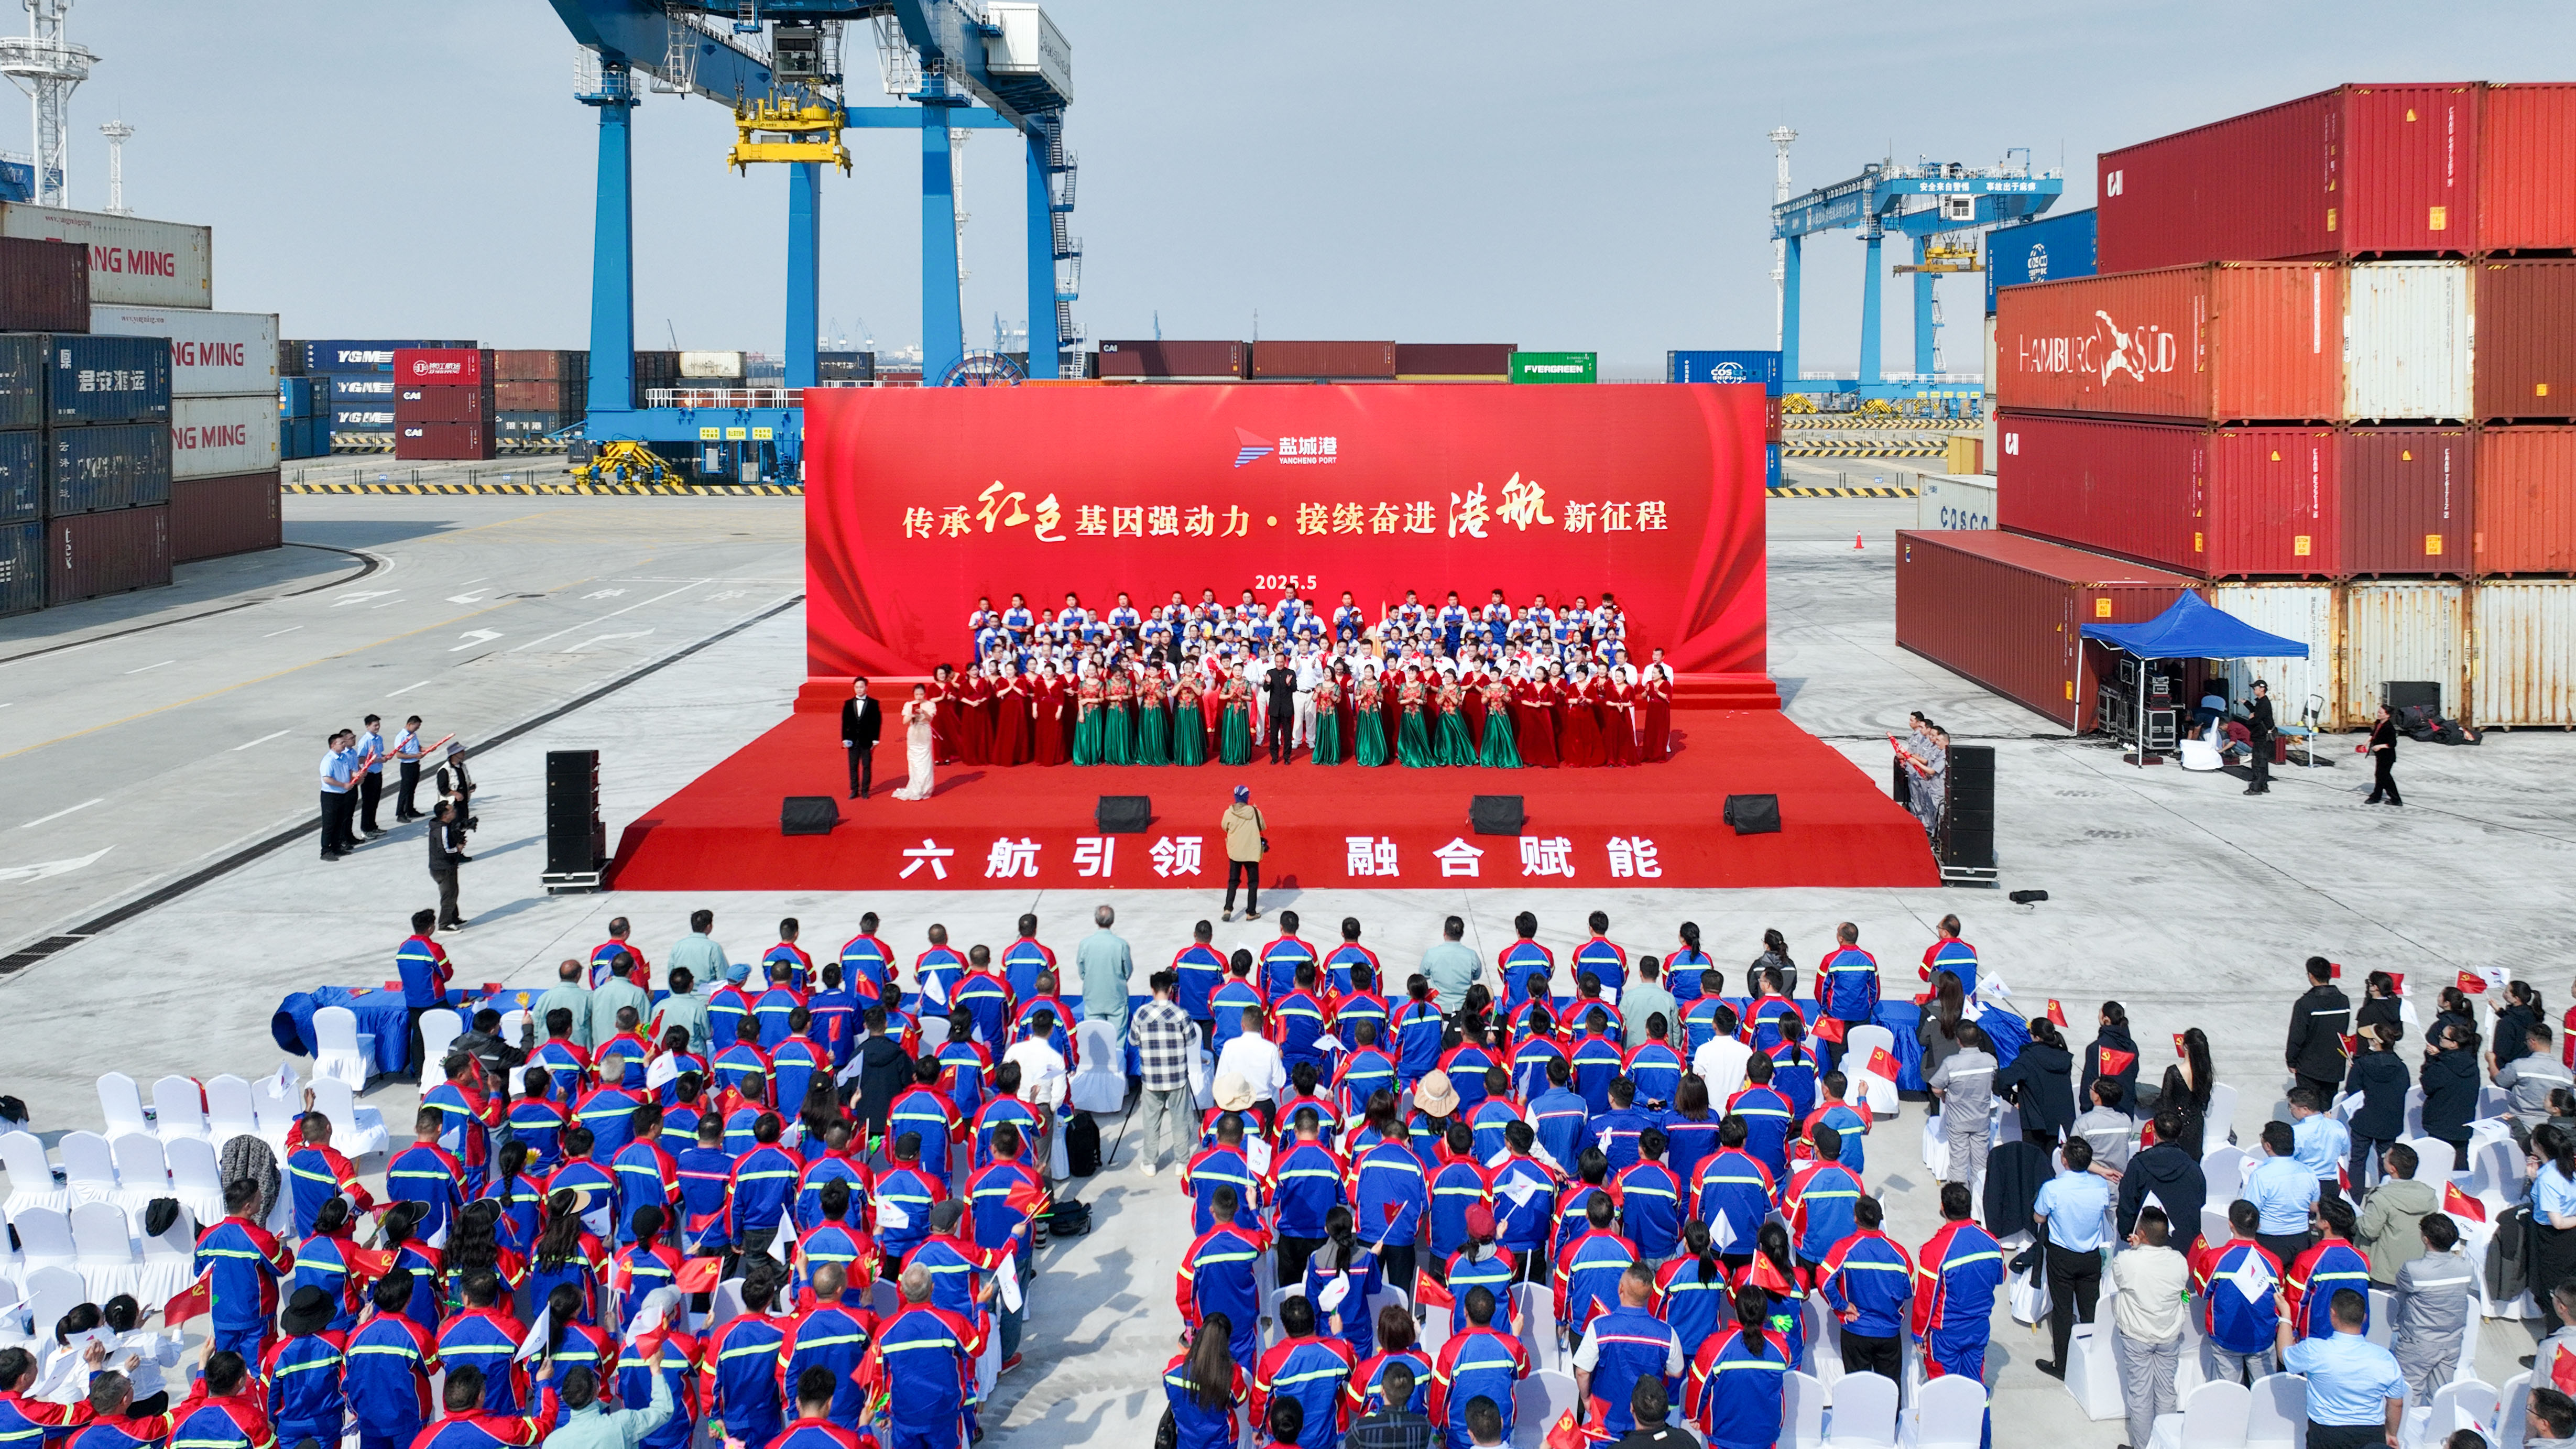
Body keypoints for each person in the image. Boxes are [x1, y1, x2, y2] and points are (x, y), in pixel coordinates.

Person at [2031, 1135, 2113, 1381]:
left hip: (2062, 1257)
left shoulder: (2053, 1188)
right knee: (2090, 1310)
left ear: (2064, 1161)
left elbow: (2039, 1217)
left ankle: (2063, 1365)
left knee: (2063, 1311)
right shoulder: (2100, 1186)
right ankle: (2092, 1359)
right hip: (2091, 1257)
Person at [2279, 1288, 2404, 1449]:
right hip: (2372, 1434)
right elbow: (2396, 1403)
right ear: (2364, 1317)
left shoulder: (2314, 1350)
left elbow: (2284, 1355)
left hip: (2326, 1435)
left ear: (2333, 1314)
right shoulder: (2385, 1357)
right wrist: (2391, 1434)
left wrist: (2286, 1316)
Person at [1570, 1263, 1682, 1444]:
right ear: (1650, 1294)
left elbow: (1583, 1372)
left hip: (1606, 1418)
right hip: (1647, 1423)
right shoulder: (1667, 1334)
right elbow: (1677, 1372)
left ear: (1620, 1289)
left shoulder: (1599, 1327)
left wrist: (1586, 1399)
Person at [2111, 1207, 2190, 1449]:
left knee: (2141, 1396)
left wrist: (2136, 1250)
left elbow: (2121, 1278)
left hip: (2137, 1337)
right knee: (2166, 1393)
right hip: (2169, 1336)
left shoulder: (2127, 1260)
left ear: (2142, 1233)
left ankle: (2143, 1446)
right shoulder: (2180, 1262)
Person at [2388, 1213, 2471, 1406]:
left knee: (2408, 1398)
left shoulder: (2413, 1269)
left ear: (2425, 1239)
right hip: (2452, 1342)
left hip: (2418, 1344)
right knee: (2441, 1399)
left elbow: (2402, 1289)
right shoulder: (2466, 1266)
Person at [541, 1350, 673, 1449]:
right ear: (597, 1391)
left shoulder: (551, 1444)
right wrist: (655, 1368)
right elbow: (663, 1411)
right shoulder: (623, 1423)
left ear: (564, 1398)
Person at [1133, 971, 1195, 1176]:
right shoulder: (1181, 1014)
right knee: (1180, 1120)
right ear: (1170, 990)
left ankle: (1150, 1163)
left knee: (1151, 1121)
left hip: (1151, 1078)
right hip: (1177, 1077)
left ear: (1153, 990)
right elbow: (1191, 1040)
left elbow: (1133, 1040)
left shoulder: (1141, 1014)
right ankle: (1182, 1162)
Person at [2118, 1108, 2209, 1247]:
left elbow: (2127, 1203)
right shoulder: (2193, 1168)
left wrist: (2127, 1234)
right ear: (2180, 1133)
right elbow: (2200, 1201)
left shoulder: (2139, 1165)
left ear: (2154, 1132)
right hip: (2182, 1243)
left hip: (2146, 1241)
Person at [2353, 1142, 2437, 1287]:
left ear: (2392, 1169)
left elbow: (2369, 1230)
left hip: (2385, 1273)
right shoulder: (2428, 1194)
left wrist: (2357, 1219)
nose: (2383, 1159)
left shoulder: (2381, 1198)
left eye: (2385, 1157)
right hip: (2417, 1270)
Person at [1165, 1316, 1250, 1449]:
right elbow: (1240, 1400)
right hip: (1221, 1444)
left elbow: (1171, 1394)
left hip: (1186, 1443)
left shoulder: (1173, 1368)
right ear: (1227, 1342)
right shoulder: (1232, 1374)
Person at [2287, 956, 2353, 1103]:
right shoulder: (2344, 1001)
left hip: (2309, 1067)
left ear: (2311, 976)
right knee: (2328, 1108)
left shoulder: (2305, 1004)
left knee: (2309, 1107)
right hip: (2334, 1066)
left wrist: (2291, 1061)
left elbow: (2297, 1035)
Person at [1077, 904, 1133, 1045]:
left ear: (1096, 921)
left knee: (1094, 1039)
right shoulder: (1121, 945)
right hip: (1116, 996)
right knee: (1117, 1040)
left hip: (1093, 997)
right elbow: (1128, 971)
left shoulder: (1085, 944)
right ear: (1112, 921)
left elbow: (1082, 971)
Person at [1221, 785, 1264, 922]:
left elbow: (1224, 827)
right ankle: (1251, 913)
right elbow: (1262, 827)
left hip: (1235, 852)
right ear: (1247, 797)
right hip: (1251, 853)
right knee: (1253, 882)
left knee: (1233, 881)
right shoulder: (1255, 812)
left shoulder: (1228, 813)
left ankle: (1228, 909)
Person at [429, 801, 469, 929]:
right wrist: (458, 849)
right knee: (449, 896)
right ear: (445, 815)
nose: (455, 811)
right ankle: (444, 925)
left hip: (447, 866)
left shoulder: (445, 826)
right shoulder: (441, 829)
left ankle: (454, 918)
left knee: (453, 893)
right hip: (443, 868)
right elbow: (444, 850)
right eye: (452, 811)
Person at [319, 729, 358, 859]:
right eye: (341, 743)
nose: (344, 745)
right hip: (331, 795)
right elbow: (327, 779)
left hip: (342, 794)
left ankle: (336, 847)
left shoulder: (344, 757)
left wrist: (356, 775)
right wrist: (343, 785)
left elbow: (349, 771)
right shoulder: (328, 760)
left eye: (344, 742)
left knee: (339, 822)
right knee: (329, 824)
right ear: (333, 745)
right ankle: (326, 851)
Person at [893, 685, 937, 801]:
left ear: (925, 694)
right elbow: (905, 722)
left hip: (924, 734)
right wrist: (912, 715)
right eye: (917, 694)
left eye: (921, 694)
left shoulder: (930, 705)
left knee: (925, 761)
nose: (919, 697)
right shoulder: (909, 705)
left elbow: (930, 719)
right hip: (913, 735)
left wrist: (924, 712)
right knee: (914, 762)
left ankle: (926, 788)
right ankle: (916, 787)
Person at [841, 678, 881, 799]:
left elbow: (877, 722)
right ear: (854, 688)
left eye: (862, 687)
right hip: (852, 740)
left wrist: (876, 739)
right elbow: (845, 723)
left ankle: (865, 790)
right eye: (857, 687)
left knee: (867, 765)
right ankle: (854, 790)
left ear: (866, 688)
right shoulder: (848, 704)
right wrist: (844, 739)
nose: (859, 689)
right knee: (853, 765)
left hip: (867, 740)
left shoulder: (874, 703)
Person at [1263, 651, 1299, 764]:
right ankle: (1274, 757)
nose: (1279, 664)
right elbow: (1265, 689)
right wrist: (1268, 683)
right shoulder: (1270, 673)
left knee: (1287, 734)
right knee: (1274, 734)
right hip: (1274, 708)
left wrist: (1289, 684)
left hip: (1287, 707)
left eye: (1281, 662)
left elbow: (1294, 689)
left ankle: (1287, 756)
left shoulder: (1290, 673)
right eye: (1277, 662)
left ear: (1285, 662)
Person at [2364, 702, 2402, 805]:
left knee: (2384, 777)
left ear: (2387, 715)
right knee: (2381, 776)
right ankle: (2378, 796)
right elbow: (2373, 734)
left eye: (2381, 713)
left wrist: (2380, 746)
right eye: (2378, 712)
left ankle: (2394, 799)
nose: (2379, 714)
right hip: (2380, 756)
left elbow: (2393, 744)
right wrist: (2365, 743)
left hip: (2387, 756)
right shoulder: (2379, 723)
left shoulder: (2389, 728)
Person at [2244, 679, 2277, 794]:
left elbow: (2257, 719)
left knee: (2258, 763)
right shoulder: (2262, 702)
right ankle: (2263, 785)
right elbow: (2257, 712)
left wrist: (2249, 720)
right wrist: (2247, 704)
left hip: (2262, 737)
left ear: (2262, 689)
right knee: (2263, 762)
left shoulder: (2264, 703)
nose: (2254, 690)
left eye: (2256, 688)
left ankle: (2256, 788)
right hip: (2262, 736)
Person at [394, 714, 429, 821]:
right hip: (407, 766)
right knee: (405, 790)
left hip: (415, 764)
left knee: (412, 789)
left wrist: (427, 749)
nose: (417, 729)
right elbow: (399, 754)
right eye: (416, 727)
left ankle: (410, 810)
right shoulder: (401, 736)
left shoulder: (413, 735)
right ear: (410, 724)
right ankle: (400, 813)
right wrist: (415, 756)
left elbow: (417, 747)